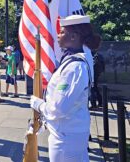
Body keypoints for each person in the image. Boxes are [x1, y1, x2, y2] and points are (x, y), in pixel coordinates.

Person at [30, 14, 101, 162]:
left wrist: (37, 103)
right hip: (72, 131)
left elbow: (58, 108)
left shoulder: (74, 66)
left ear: (74, 36)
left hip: (65, 136)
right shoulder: (81, 55)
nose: (58, 35)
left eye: (62, 32)